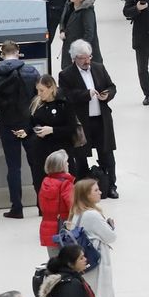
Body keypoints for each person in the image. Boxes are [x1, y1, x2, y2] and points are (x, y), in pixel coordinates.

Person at [0, 41, 41, 218]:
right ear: (18, 52)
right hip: (29, 125)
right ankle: (42, 205)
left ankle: (17, 208)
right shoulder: (31, 72)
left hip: (7, 125)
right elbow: (40, 98)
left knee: (13, 168)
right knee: (36, 165)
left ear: (2, 54)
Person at [58, 41, 119, 197]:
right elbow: (67, 96)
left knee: (107, 154)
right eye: (82, 58)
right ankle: (84, 188)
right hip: (81, 123)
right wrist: (86, 94)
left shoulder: (99, 68)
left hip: (101, 120)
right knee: (81, 156)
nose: (87, 61)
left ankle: (111, 185)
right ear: (74, 58)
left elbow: (112, 86)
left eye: (88, 57)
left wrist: (108, 94)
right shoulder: (66, 75)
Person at [66, 178, 115, 297]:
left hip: (86, 263)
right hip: (97, 265)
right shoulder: (92, 215)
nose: (100, 192)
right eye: (95, 190)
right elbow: (111, 237)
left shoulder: (77, 213)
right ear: (86, 195)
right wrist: (110, 227)